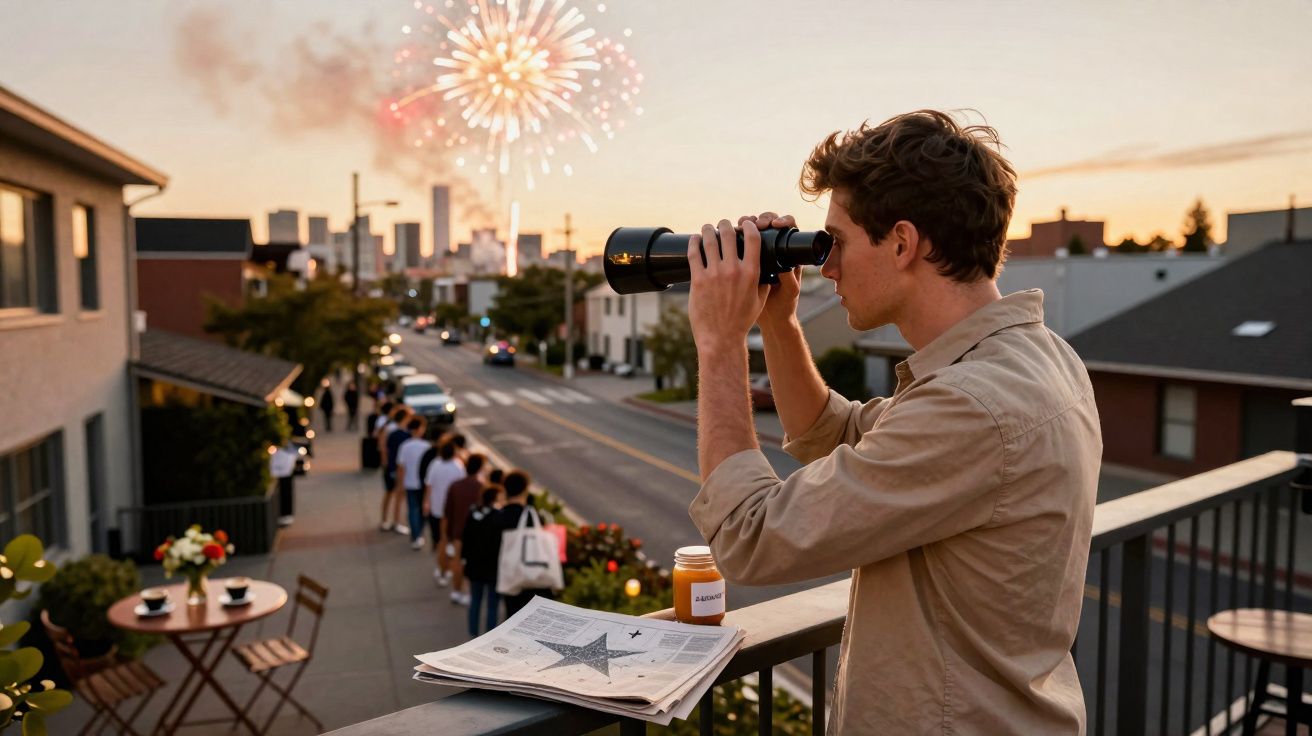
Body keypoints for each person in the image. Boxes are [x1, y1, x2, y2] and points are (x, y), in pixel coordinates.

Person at [683, 111, 1101, 733]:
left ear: (903, 243)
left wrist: (719, 343)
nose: (827, 267)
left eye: (837, 243)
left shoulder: (972, 406)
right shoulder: (1032, 360)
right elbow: (837, 434)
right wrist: (777, 321)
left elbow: (751, 537)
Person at [495, 470, 555, 617]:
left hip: (512, 580)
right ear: (525, 489)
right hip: (536, 578)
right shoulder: (534, 516)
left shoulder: (499, 516)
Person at [443, 453, 487, 607]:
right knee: (471, 563)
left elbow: (448, 511)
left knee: (457, 562)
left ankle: (456, 591)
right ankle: (469, 592)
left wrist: (447, 533)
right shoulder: (482, 488)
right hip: (475, 533)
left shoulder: (456, 485)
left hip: (457, 531)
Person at [423, 440, 466, 593]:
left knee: (441, 541)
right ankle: (449, 570)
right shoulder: (458, 466)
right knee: (454, 544)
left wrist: (426, 502)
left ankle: (441, 570)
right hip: (452, 511)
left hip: (437, 509)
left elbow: (429, 485)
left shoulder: (435, 464)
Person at [460, 486, 504, 637]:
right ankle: (489, 637)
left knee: (475, 602)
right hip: (494, 569)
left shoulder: (473, 513)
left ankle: (473, 634)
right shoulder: (499, 516)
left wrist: (464, 560)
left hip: (474, 566)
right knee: (492, 605)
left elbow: (465, 538)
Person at [394, 417, 431, 550]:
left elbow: (401, 467)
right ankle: (418, 533)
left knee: (412, 510)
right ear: (419, 429)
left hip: (409, 482)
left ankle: (415, 536)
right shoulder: (426, 446)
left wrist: (400, 483)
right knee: (422, 510)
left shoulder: (405, 446)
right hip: (423, 483)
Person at [380, 406, 412, 535]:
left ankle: (385, 520)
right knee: (398, 494)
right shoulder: (401, 433)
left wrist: (386, 464)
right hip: (397, 467)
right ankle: (396, 522)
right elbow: (384, 448)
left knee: (389, 493)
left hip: (391, 466)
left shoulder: (390, 429)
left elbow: (383, 448)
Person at [270, 440, 298, 526]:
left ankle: (286, 514)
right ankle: (284, 514)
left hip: (285, 458)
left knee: (285, 487)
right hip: (281, 456)